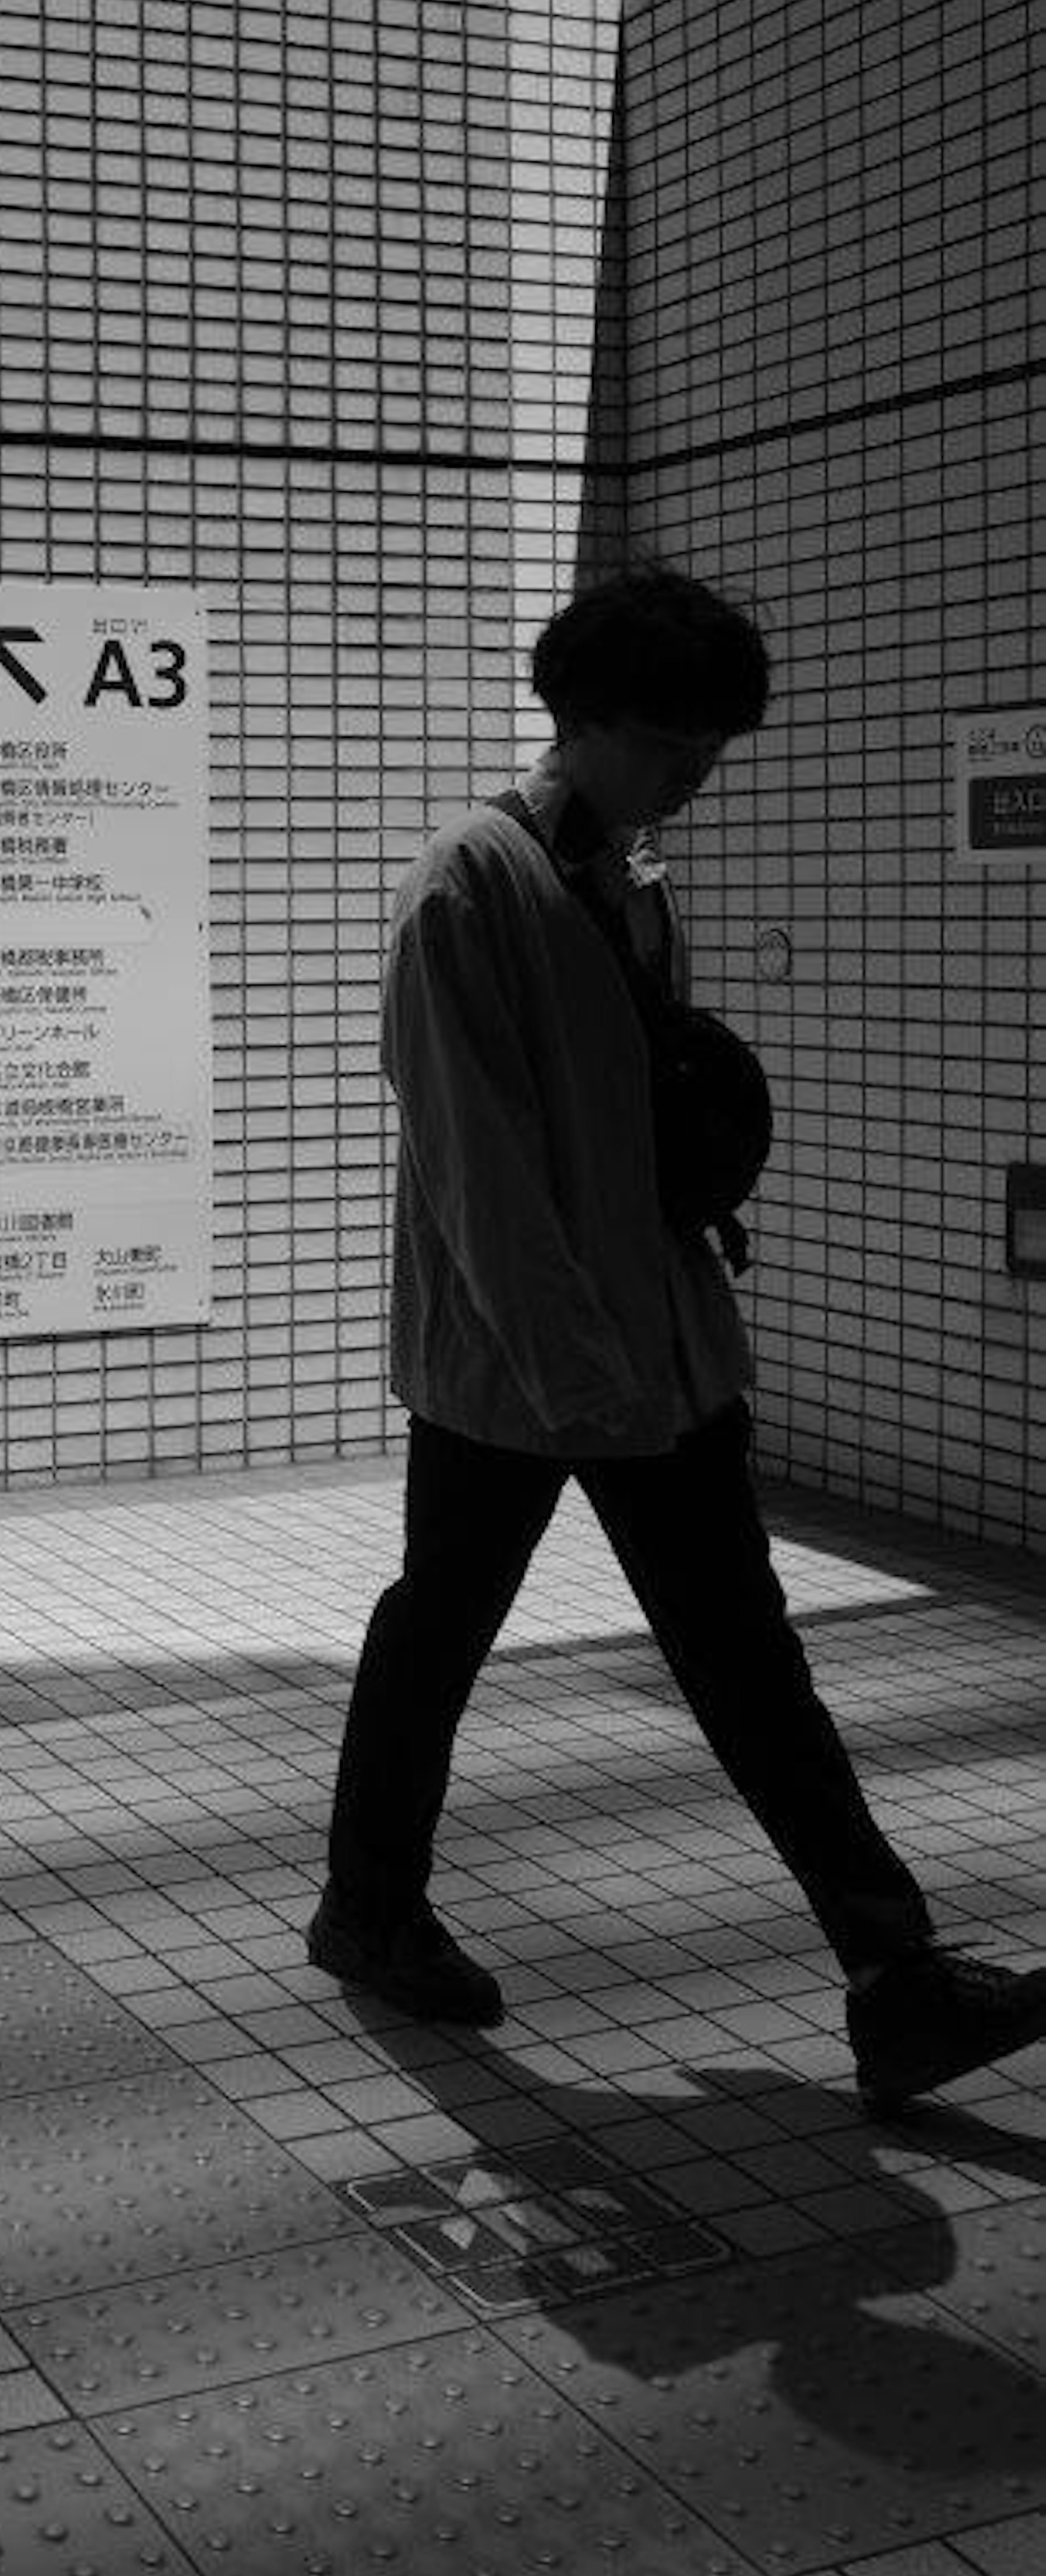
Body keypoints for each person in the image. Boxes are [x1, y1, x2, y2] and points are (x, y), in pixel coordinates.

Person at [309, 564, 1046, 2115]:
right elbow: (478, 1167)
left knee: (744, 1655)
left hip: (655, 1347)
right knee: (443, 1628)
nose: (691, 779)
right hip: (527, 1367)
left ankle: (895, 1973)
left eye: (710, 752)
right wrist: (585, 1380)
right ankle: (367, 1910)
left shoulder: (629, 877)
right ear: (573, 719)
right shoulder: (467, 884)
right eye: (666, 746)